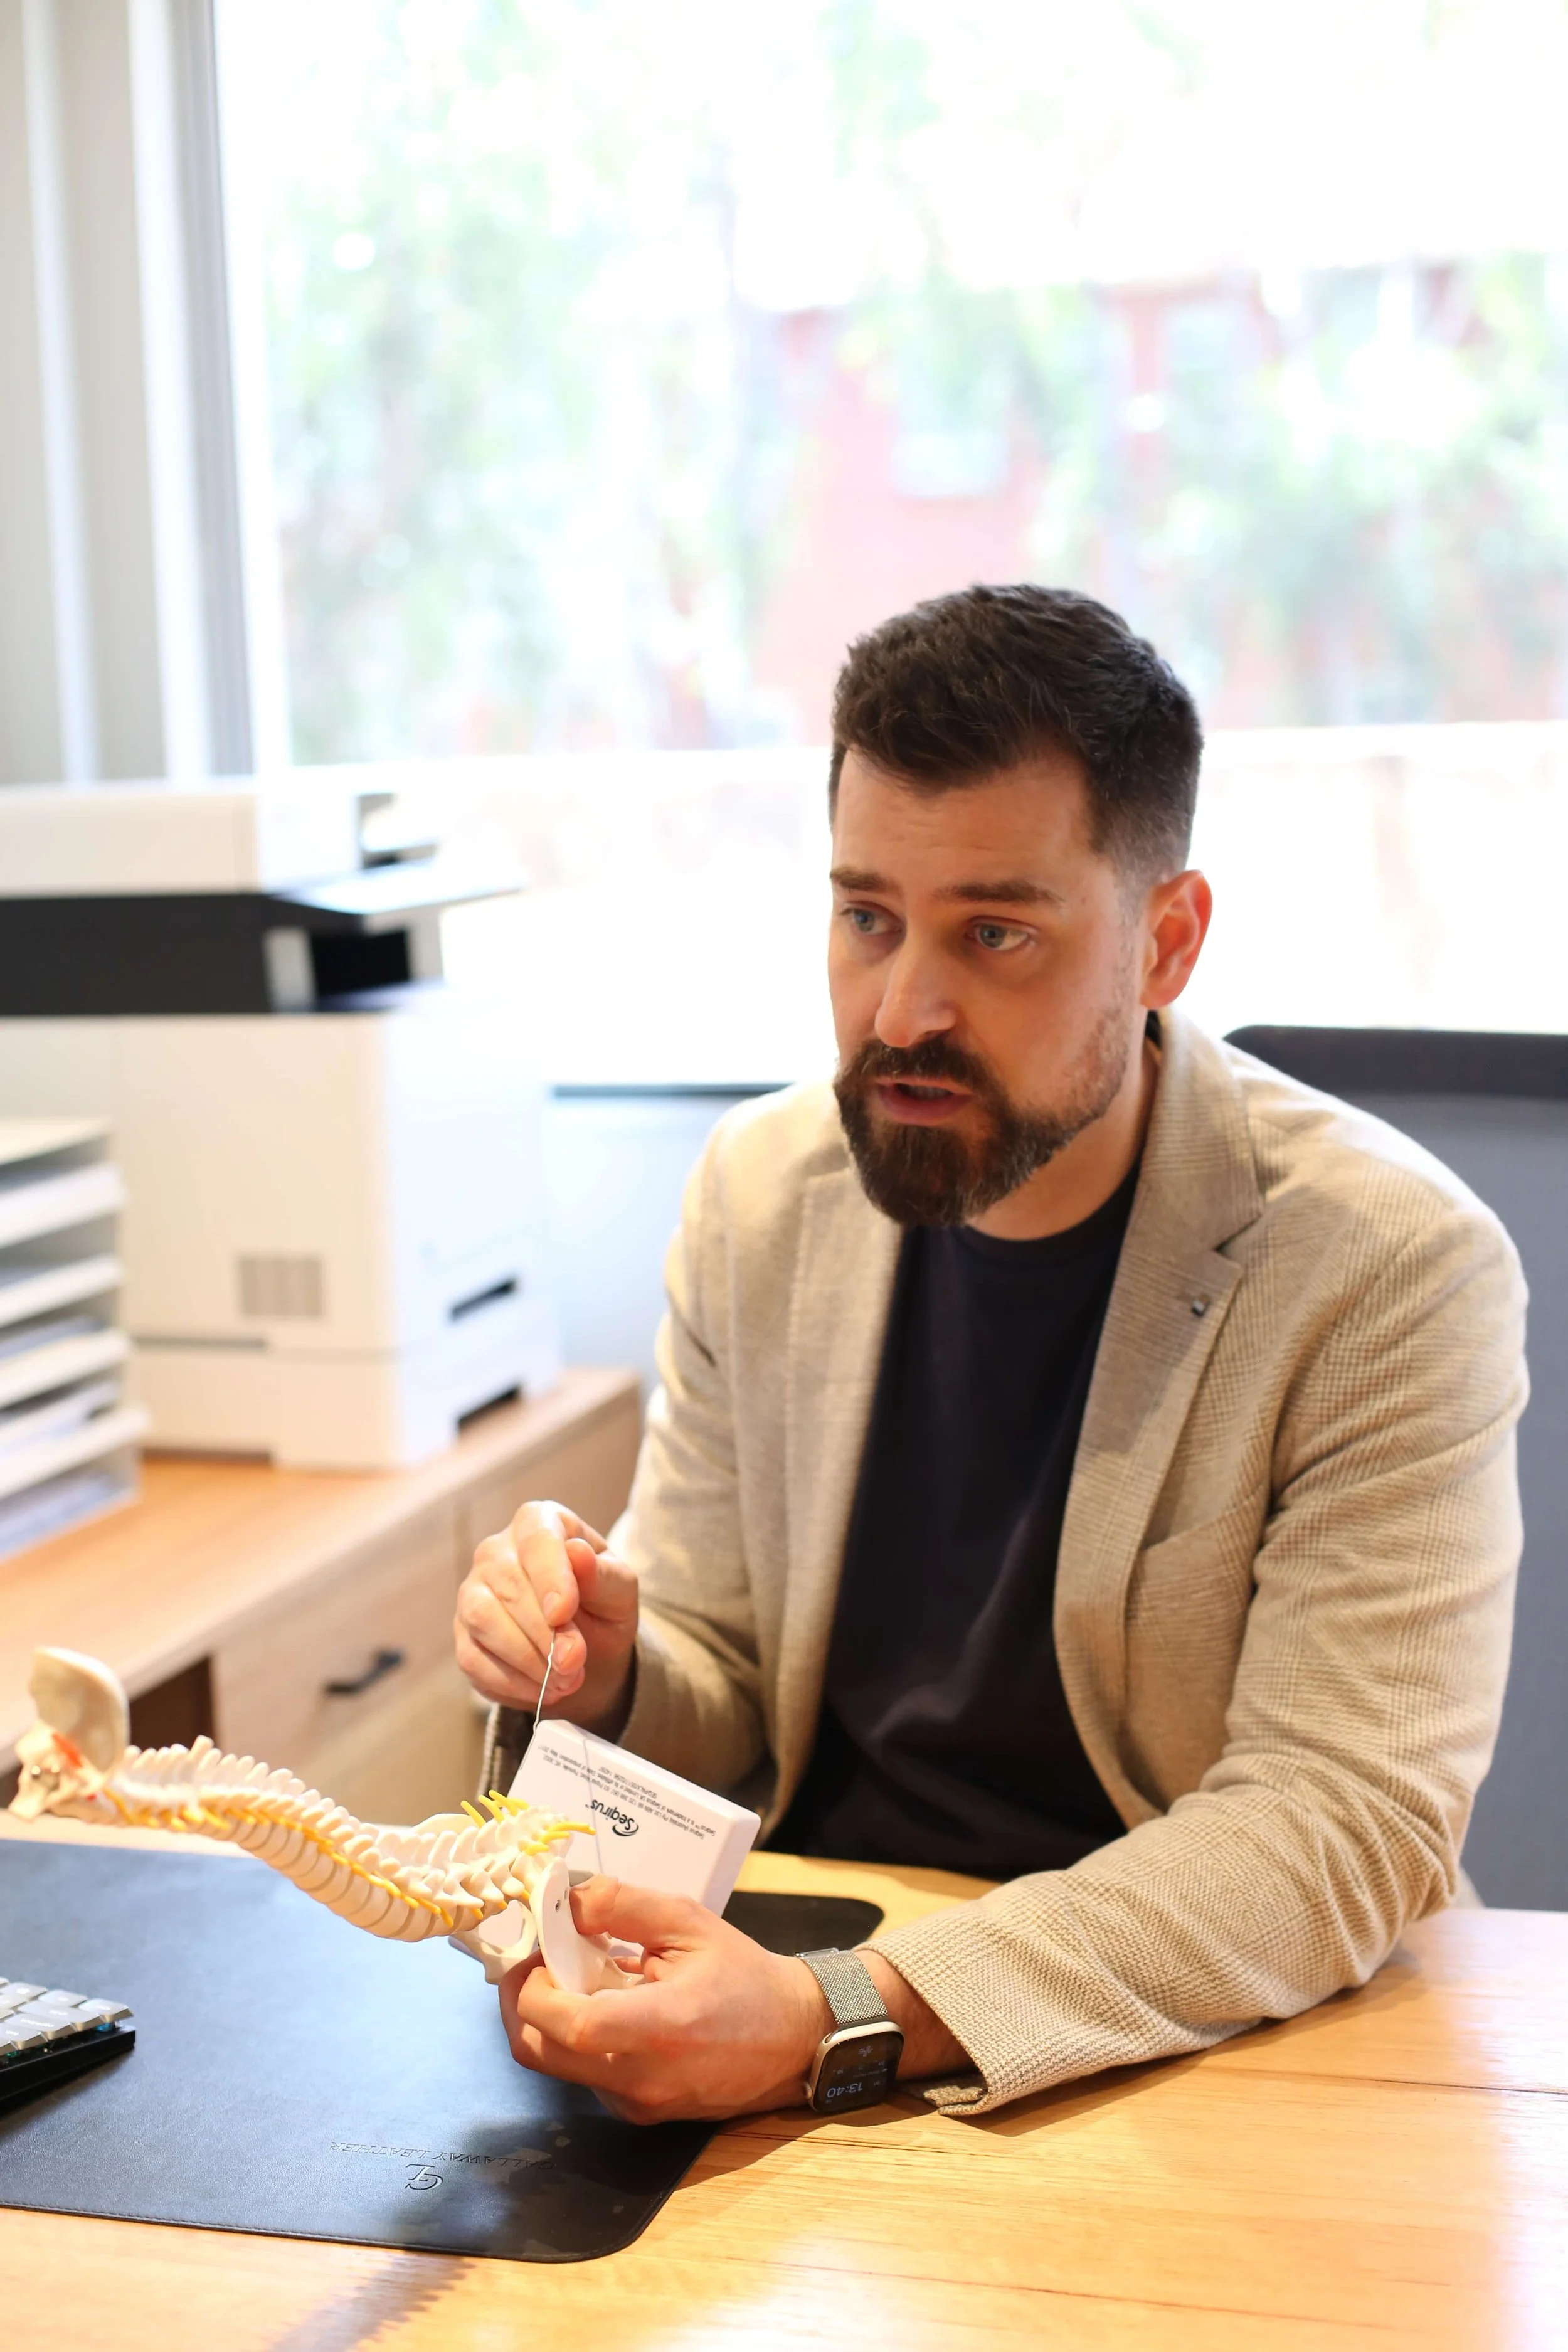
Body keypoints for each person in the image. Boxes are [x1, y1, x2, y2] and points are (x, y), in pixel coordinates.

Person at [455, 583, 1527, 2125]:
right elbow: (726, 1677)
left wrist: (838, 2016)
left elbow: (1340, 1820)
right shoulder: (762, 1198)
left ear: (1165, 942)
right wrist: (607, 1673)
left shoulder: (1385, 1269)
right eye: (865, 917)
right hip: (788, 1970)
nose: (903, 1009)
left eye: (996, 933)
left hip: (1185, 2044)